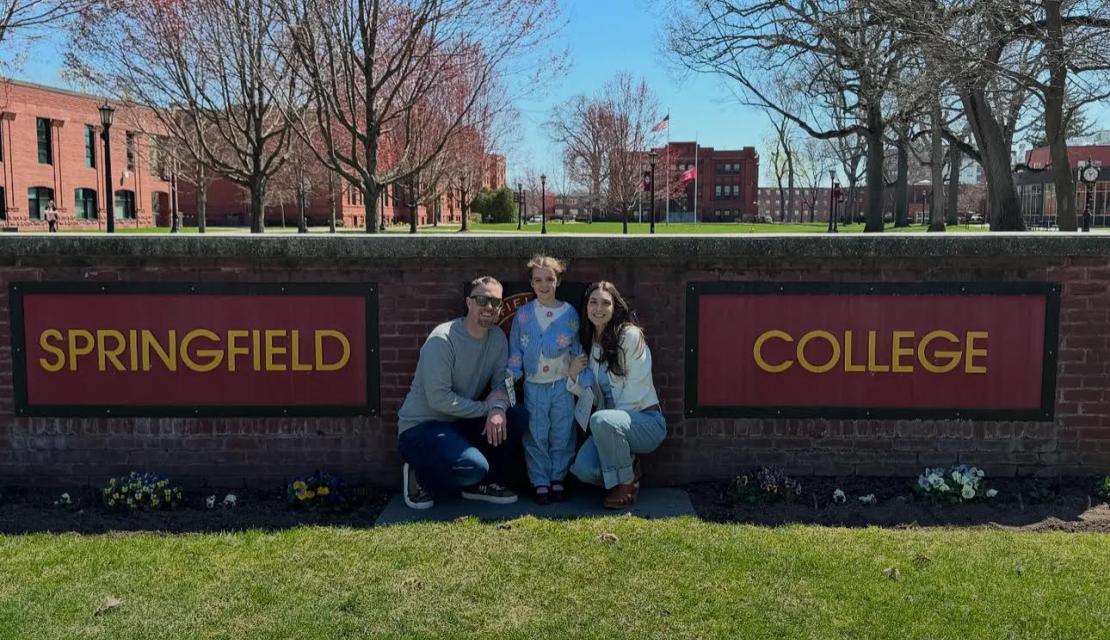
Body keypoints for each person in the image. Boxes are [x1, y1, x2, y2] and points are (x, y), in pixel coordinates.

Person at [397, 276, 527, 510]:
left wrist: (498, 409)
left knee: (517, 416)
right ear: (469, 303)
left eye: (495, 302)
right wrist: (486, 408)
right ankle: (419, 474)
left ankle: (480, 484)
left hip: (460, 422)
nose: (489, 307)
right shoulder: (442, 339)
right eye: (482, 300)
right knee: (472, 467)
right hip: (422, 426)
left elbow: (502, 382)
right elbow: (439, 399)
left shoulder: (497, 338)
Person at [568, 281, 665, 509]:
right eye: (593, 302)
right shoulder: (592, 344)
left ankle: (626, 482)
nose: (598, 308)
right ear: (586, 307)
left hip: (645, 422)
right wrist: (572, 376)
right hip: (608, 426)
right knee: (583, 470)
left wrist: (607, 424)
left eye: (605, 303)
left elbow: (636, 388)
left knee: (601, 419)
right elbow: (591, 395)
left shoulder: (630, 336)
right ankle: (629, 465)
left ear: (615, 308)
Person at [507, 255, 592, 504]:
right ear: (531, 284)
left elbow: (575, 347)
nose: (544, 285)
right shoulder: (524, 315)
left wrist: (581, 373)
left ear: (558, 281)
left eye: (549, 279)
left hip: (562, 384)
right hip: (534, 385)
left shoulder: (569, 314)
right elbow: (515, 348)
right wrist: (513, 373)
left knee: (562, 431)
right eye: (538, 280)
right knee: (536, 432)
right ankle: (539, 480)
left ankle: (558, 477)